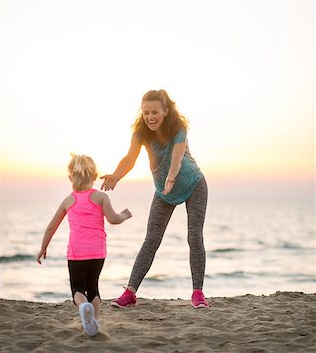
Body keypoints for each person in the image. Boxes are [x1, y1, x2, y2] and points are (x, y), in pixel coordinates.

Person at [101, 89, 209, 309]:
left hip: (193, 184)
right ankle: (130, 293)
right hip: (163, 191)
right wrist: (116, 176)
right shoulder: (141, 133)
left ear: (165, 112)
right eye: (146, 112)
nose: (150, 117)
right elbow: (130, 159)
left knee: (194, 237)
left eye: (155, 112)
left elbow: (177, 158)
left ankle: (198, 293)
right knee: (151, 240)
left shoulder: (178, 128)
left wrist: (171, 177)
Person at [37, 153, 132, 336]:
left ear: (70, 177)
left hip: (76, 253)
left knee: (77, 288)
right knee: (93, 286)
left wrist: (43, 248)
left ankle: (83, 307)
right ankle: (94, 322)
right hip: (97, 252)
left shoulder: (68, 200)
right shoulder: (101, 197)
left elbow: (51, 227)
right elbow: (113, 219)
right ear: (95, 176)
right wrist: (124, 215)